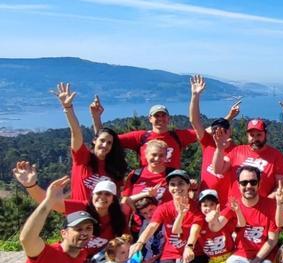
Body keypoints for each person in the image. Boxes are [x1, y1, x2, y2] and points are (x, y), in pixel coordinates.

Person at [53, 83, 127, 202]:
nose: (105, 145)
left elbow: (116, 198)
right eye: (102, 141)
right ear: (94, 140)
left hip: (103, 219)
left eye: (109, 143)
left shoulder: (114, 170)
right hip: (79, 217)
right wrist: (68, 108)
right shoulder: (82, 158)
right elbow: (76, 133)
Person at [102, 93, 198, 169]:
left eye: (163, 115)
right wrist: (96, 117)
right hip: (148, 185)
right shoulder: (141, 137)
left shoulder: (178, 136)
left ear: (168, 118)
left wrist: (195, 95)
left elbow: (202, 133)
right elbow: (106, 139)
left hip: (171, 185)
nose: (160, 118)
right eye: (156, 115)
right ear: (150, 119)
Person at [188, 74, 242, 205]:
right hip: (203, 202)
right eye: (215, 130)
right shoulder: (207, 143)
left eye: (223, 129)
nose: (219, 132)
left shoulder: (237, 150)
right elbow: (195, 121)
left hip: (225, 204)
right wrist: (195, 95)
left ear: (230, 131)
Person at [120, 139, 175, 208]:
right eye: (154, 155)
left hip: (167, 218)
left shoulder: (173, 175)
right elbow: (125, 199)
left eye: (161, 155)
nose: (157, 158)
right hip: (139, 218)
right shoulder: (135, 174)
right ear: (146, 154)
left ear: (166, 157)